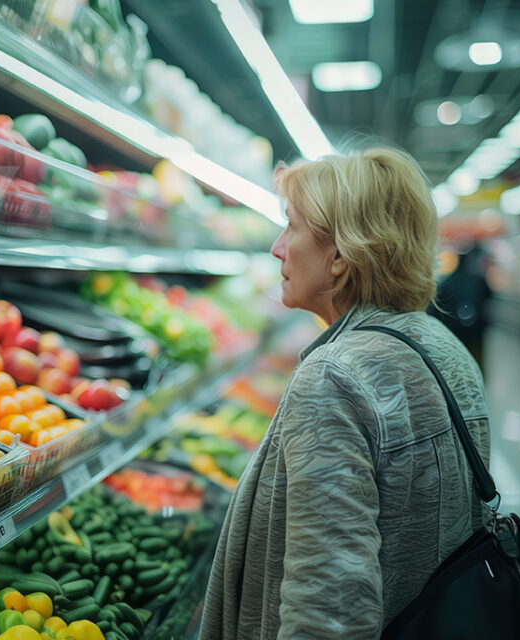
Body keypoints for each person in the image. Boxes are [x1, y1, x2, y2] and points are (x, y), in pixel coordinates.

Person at [201, 148, 490, 639]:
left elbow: (329, 611)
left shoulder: (333, 378)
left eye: (291, 226)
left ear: (339, 255)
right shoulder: (447, 350)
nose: (277, 247)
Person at [429, 243, 493, 370]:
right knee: (476, 363)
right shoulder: (478, 280)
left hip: (455, 334)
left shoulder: (448, 282)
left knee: (459, 364)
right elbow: (489, 296)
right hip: (475, 332)